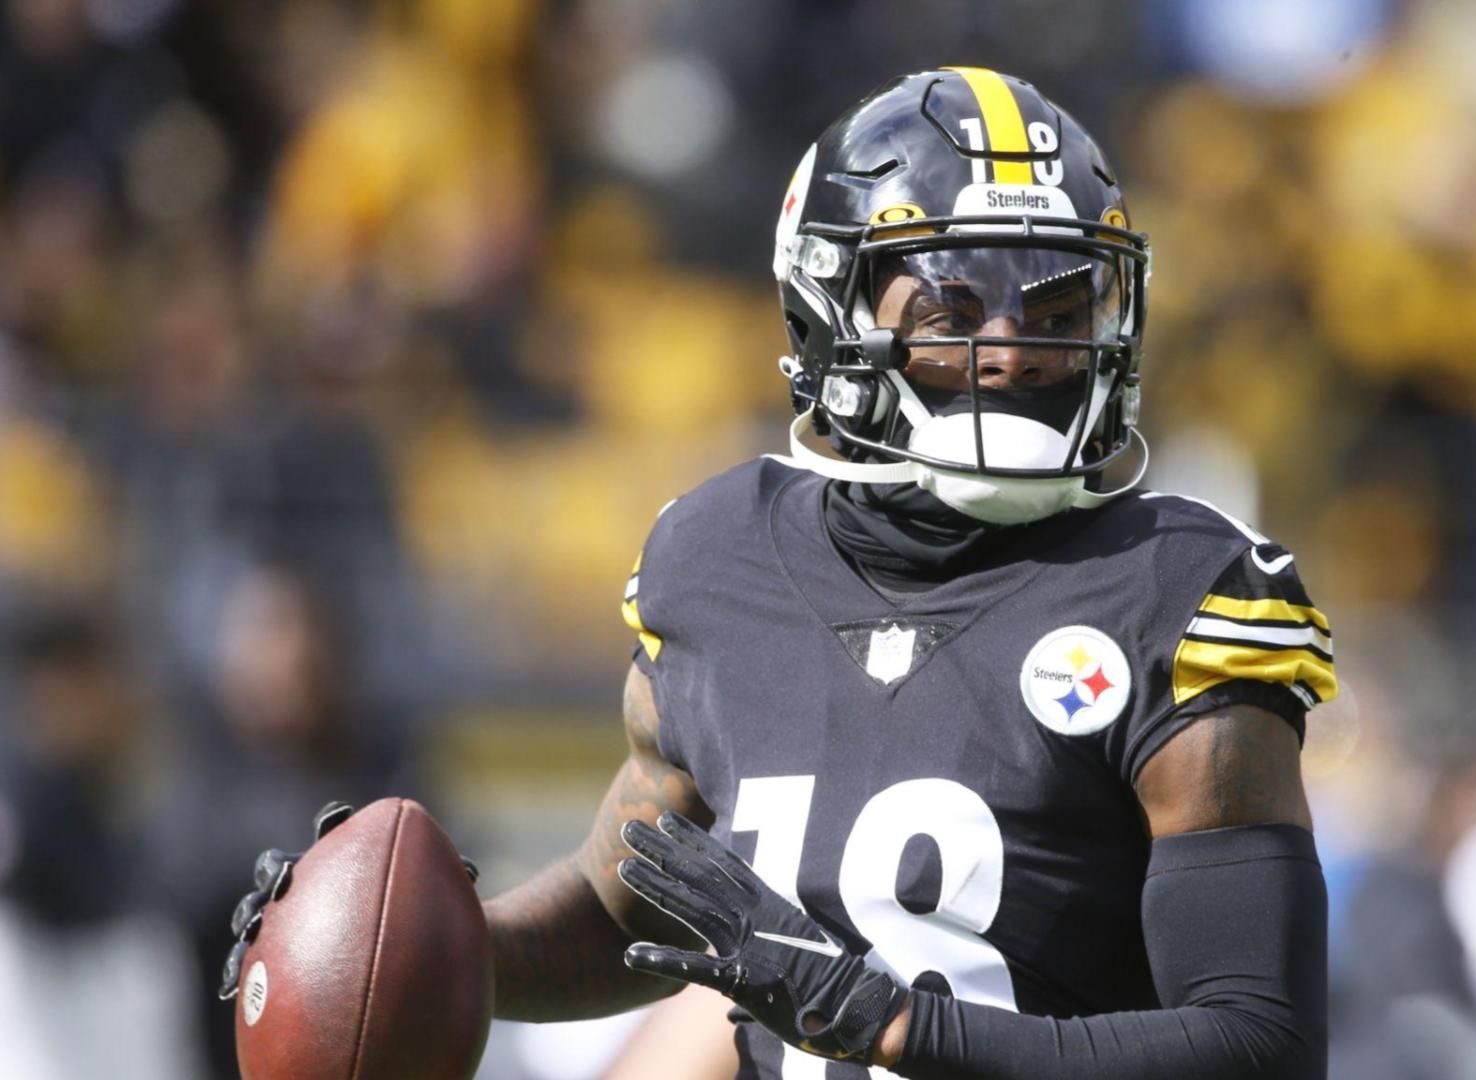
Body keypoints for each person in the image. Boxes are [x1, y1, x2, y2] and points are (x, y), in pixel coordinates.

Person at [221, 68, 1337, 1079]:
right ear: (829, 312)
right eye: (952, 307)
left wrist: (887, 1022)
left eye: (1053, 309)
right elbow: (633, 914)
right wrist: (407, 935)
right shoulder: (721, 561)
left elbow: (1255, 1046)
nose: (1009, 349)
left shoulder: (1179, 591)